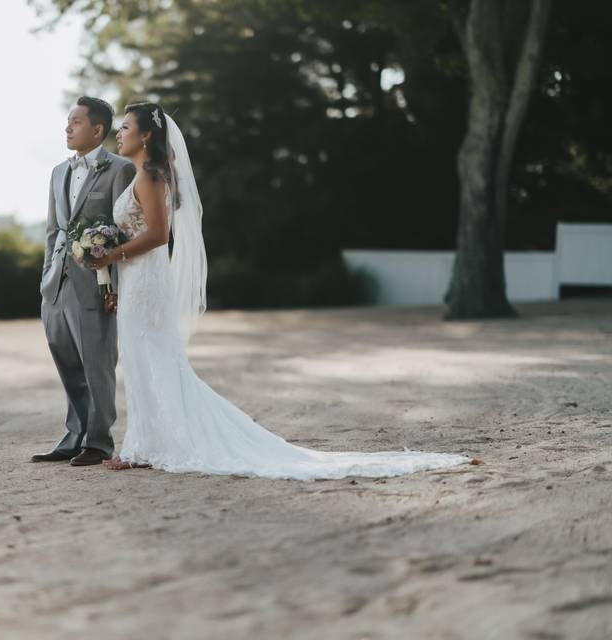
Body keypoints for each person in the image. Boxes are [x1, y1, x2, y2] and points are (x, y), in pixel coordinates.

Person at [86, 102, 473, 480]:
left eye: (125, 127)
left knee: (155, 359)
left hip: (148, 283)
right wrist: (109, 254)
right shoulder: (141, 175)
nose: (120, 133)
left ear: (147, 134)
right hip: (136, 278)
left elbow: (158, 235)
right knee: (140, 360)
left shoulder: (151, 176)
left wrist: (110, 253)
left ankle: (142, 446)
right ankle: (144, 444)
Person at [33, 96, 136, 467]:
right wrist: (47, 276)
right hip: (56, 284)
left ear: (97, 129)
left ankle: (98, 441)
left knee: (97, 363)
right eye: (67, 121)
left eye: (75, 122)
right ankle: (73, 436)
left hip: (97, 283)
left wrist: (115, 284)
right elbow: (51, 230)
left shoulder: (119, 169)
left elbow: (125, 230)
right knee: (67, 363)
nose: (67, 127)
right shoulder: (58, 172)